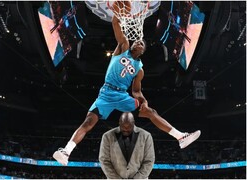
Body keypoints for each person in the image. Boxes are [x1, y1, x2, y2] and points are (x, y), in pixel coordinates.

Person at [53, 1, 201, 166]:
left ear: (143, 50)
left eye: (141, 43)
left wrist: (142, 101)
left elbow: (136, 91)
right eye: (137, 41)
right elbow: (116, 23)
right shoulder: (123, 47)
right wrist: (120, 9)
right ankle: (66, 151)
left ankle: (181, 137)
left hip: (123, 96)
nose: (138, 42)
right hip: (106, 93)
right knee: (88, 122)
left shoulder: (139, 69)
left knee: (150, 111)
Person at [99, 112, 155, 179]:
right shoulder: (107, 136)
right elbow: (104, 160)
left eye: (129, 127)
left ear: (133, 122)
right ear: (119, 122)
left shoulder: (146, 136)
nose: (126, 129)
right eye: (123, 127)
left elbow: (149, 160)